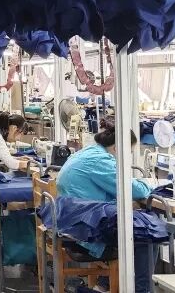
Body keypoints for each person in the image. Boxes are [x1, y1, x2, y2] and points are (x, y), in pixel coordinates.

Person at [57, 117, 154, 293]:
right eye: (129, 152)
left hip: (73, 222)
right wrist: (149, 184)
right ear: (117, 148)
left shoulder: (89, 152)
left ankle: (103, 285)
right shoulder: (101, 161)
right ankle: (142, 290)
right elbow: (136, 190)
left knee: (145, 225)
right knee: (149, 235)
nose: (129, 156)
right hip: (86, 232)